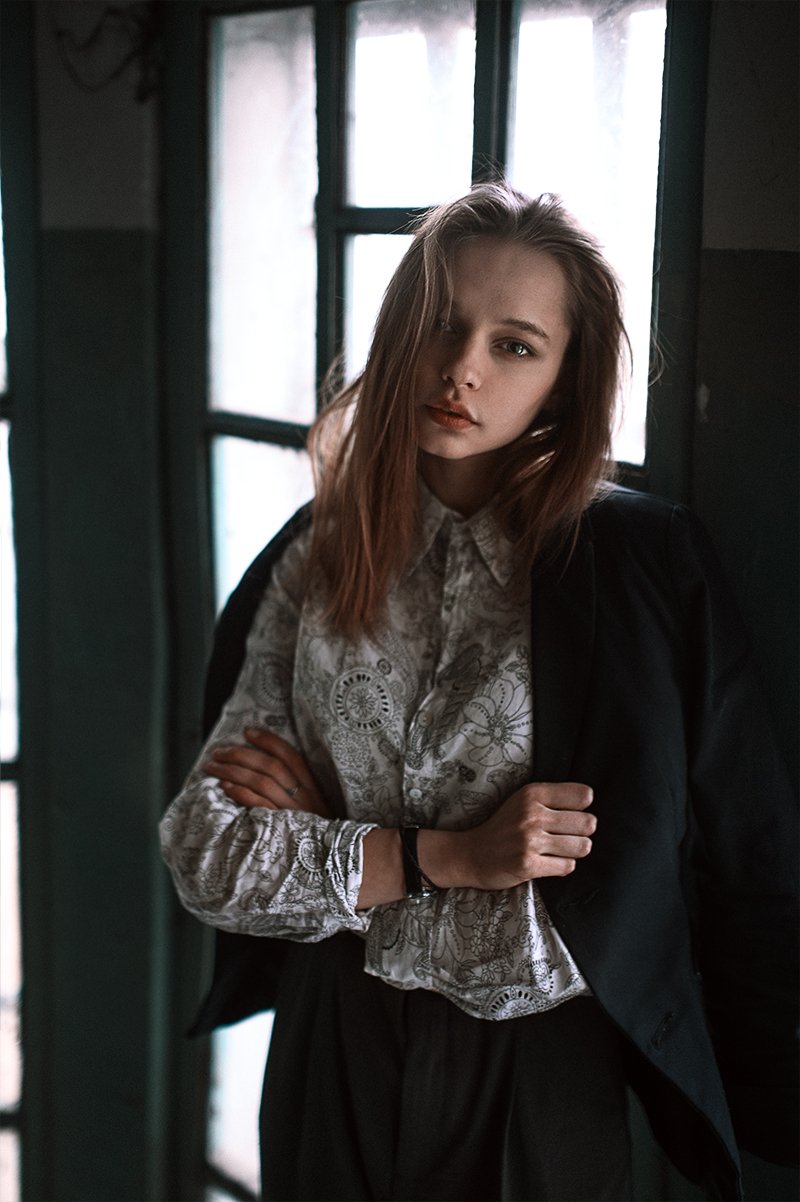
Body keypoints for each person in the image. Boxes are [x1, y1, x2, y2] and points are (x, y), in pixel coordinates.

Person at [160, 182, 798, 1202]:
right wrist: (446, 855)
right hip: (331, 1035)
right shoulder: (319, 551)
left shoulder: (641, 564)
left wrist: (333, 844)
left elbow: (739, 852)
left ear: (565, 379)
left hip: (538, 1066)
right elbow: (206, 853)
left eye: (514, 345)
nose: (462, 368)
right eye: (441, 325)